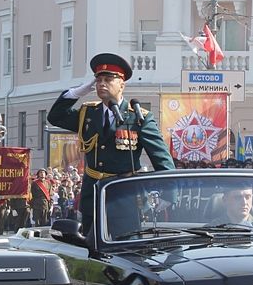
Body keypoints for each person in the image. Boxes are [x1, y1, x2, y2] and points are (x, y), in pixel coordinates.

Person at [47, 53, 174, 235]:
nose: (101, 84)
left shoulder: (139, 117)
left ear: (122, 84)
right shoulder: (87, 114)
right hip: (93, 196)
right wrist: (77, 92)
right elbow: (55, 117)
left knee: (125, 247)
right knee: (92, 247)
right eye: (98, 80)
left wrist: (169, 196)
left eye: (108, 79)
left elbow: (161, 158)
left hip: (125, 197)